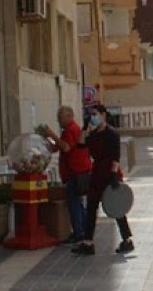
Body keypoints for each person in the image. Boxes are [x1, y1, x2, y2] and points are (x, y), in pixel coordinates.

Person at [73, 104, 134, 255]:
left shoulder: (112, 133)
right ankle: (88, 242)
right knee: (91, 206)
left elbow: (116, 156)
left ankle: (127, 240)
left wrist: (114, 174)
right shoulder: (93, 135)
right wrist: (84, 127)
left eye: (95, 114)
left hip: (110, 172)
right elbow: (80, 144)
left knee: (116, 205)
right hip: (97, 172)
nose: (93, 117)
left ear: (103, 115)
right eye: (91, 114)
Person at [44, 106, 93, 243]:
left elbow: (66, 147)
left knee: (74, 203)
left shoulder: (72, 130)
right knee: (77, 203)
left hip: (76, 172)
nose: (58, 120)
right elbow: (57, 147)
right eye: (58, 117)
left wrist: (53, 135)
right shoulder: (67, 131)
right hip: (75, 172)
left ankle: (79, 232)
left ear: (70, 116)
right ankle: (82, 230)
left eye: (61, 117)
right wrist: (48, 139)